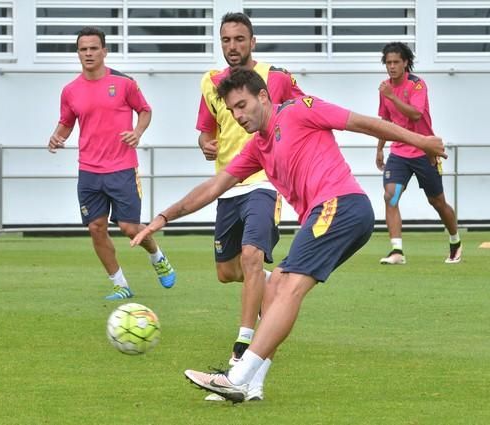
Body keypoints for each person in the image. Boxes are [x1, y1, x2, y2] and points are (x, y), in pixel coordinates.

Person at [130, 68, 447, 402]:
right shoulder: (258, 148)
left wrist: (420, 140)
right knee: (275, 285)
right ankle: (251, 385)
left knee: (288, 289)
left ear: (263, 97)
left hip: (340, 205)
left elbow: (362, 122)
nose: (238, 115)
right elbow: (213, 187)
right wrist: (163, 217)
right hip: (331, 214)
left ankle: (236, 377)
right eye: (232, 110)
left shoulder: (299, 110)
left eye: (242, 105)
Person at [196, 12, 305, 383]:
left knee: (251, 254)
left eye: (240, 39)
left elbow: (302, 111)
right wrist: (205, 144)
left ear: (253, 42)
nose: (232, 47)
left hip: (264, 180)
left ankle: (243, 342)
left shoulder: (276, 77)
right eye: (226, 40)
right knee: (228, 272)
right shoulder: (211, 82)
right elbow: (206, 130)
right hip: (228, 186)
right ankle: (269, 282)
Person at [48, 27, 176, 300]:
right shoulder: (70, 90)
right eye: (83, 49)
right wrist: (57, 137)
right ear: (78, 53)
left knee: (130, 228)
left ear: (104, 51)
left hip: (122, 168)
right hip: (89, 171)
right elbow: (67, 122)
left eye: (94, 48)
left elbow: (145, 110)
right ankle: (120, 284)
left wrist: (138, 133)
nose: (89, 53)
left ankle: (158, 257)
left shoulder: (124, 83)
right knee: (96, 228)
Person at [376, 42, 461, 265]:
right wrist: (379, 149)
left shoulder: (417, 85)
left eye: (396, 62)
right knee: (391, 196)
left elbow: (415, 115)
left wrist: (392, 97)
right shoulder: (384, 87)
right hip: (399, 154)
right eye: (388, 62)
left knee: (437, 202)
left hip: (424, 151)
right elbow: (385, 121)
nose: (392, 66)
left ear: (405, 63)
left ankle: (455, 241)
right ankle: (397, 251)